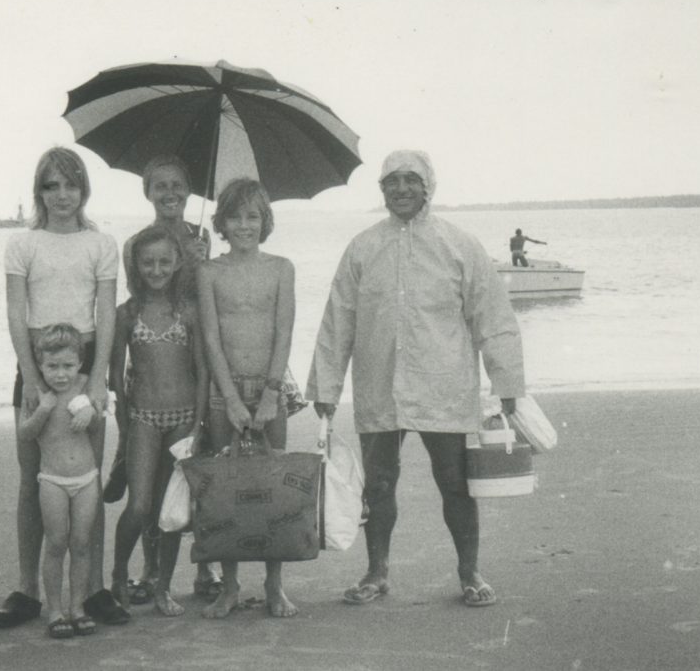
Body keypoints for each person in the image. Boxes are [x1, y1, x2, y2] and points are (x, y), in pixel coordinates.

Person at [307, 150, 526, 609]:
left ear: (429, 186)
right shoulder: (363, 248)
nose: (401, 189)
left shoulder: (459, 246)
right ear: (382, 189)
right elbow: (337, 321)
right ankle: (376, 572)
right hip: (378, 384)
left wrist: (506, 382)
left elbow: (493, 316)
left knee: (455, 483)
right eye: (392, 181)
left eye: (411, 180)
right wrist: (325, 388)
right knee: (379, 484)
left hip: (442, 386)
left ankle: (469, 572)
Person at [0, 146, 128, 629]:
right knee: (34, 478)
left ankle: (93, 591)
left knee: (87, 476)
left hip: (86, 364)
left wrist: (99, 379)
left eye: (71, 184)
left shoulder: (101, 243)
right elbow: (15, 312)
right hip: (36, 363)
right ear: (39, 192)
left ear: (83, 189)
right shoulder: (22, 244)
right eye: (52, 185)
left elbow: (106, 314)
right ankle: (28, 590)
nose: (62, 195)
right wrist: (30, 375)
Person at [105, 154, 223, 605]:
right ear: (148, 192)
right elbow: (140, 288)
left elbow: (198, 298)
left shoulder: (200, 236)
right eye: (161, 187)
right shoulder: (136, 242)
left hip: (188, 359)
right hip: (149, 379)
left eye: (178, 185)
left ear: (189, 190)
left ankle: (199, 569)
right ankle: (150, 571)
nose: (170, 193)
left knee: (187, 485)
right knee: (148, 490)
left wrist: (197, 263)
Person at [196, 177, 298, 619]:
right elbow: (211, 339)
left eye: (253, 216)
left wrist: (272, 393)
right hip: (226, 393)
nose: (244, 225)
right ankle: (231, 586)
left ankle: (275, 586)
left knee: (272, 489)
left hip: (270, 390)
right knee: (226, 492)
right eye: (235, 217)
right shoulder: (208, 272)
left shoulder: (281, 267)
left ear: (265, 220)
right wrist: (231, 398)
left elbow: (284, 331)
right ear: (221, 221)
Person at [108, 226, 208, 617]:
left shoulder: (189, 311)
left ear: (179, 262)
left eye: (165, 261)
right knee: (140, 505)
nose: (156, 268)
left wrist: (199, 426)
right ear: (135, 264)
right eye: (148, 262)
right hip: (143, 420)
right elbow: (115, 375)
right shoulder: (126, 313)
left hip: (184, 419)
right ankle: (118, 575)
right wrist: (123, 423)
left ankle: (164, 587)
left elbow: (201, 370)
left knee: (169, 512)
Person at [16, 324, 101, 638]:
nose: (60, 374)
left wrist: (91, 415)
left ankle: (77, 607)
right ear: (40, 364)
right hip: (52, 479)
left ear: (79, 362)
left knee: (80, 544)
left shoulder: (86, 387)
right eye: (52, 366)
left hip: (86, 479)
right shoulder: (38, 393)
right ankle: (54, 610)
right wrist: (43, 411)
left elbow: (100, 422)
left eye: (67, 366)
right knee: (55, 543)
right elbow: (24, 434)